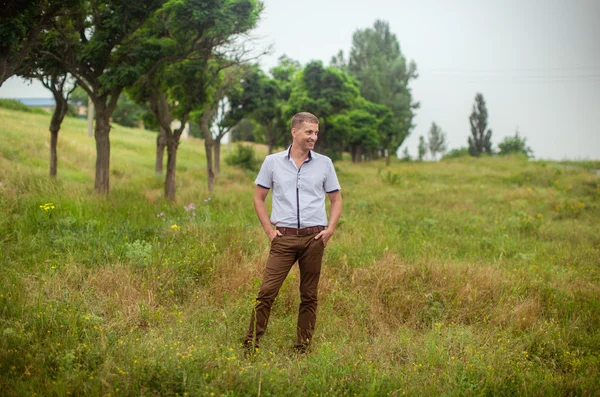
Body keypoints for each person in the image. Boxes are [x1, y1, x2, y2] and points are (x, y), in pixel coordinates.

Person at [243, 112, 342, 354]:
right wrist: (269, 230)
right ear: (294, 132)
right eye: (309, 132)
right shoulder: (272, 162)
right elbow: (258, 198)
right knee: (266, 292)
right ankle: (250, 344)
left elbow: (336, 199)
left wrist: (329, 230)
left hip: (314, 238)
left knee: (309, 295)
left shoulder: (324, 163)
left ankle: (302, 347)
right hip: (284, 238)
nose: (314, 137)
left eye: (316, 133)